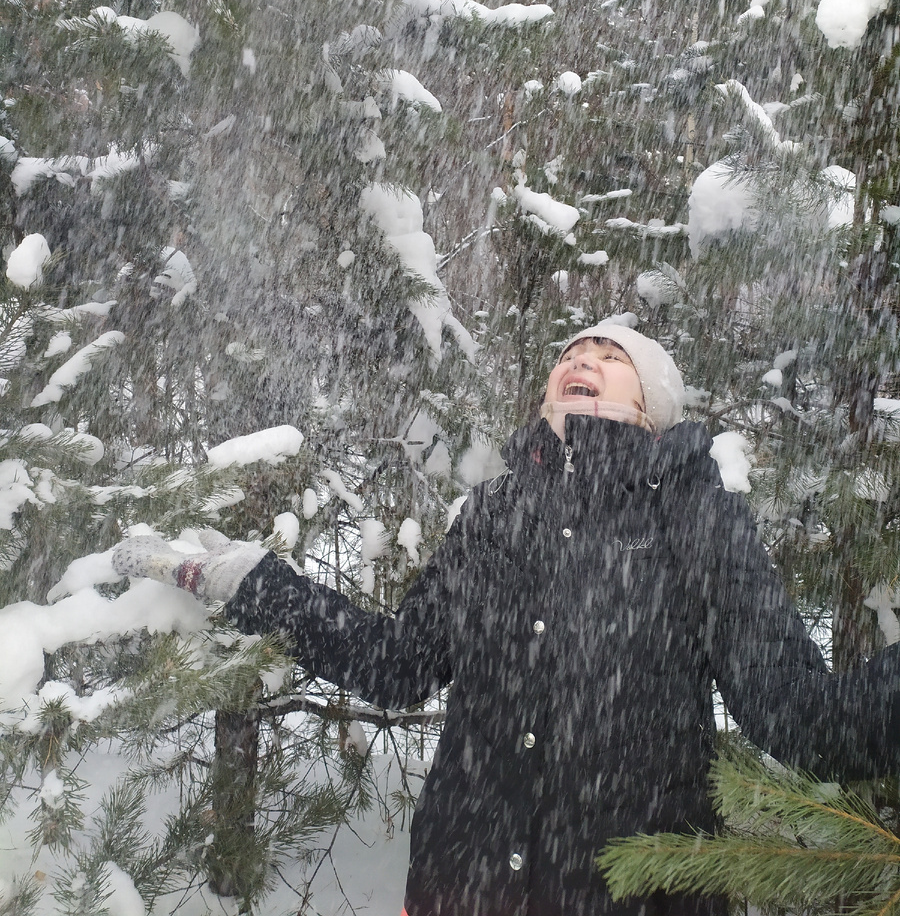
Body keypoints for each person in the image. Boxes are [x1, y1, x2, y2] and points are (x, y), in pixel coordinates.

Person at [112, 320, 900, 916]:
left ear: (652, 405)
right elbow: (398, 665)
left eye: (612, 355)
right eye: (570, 353)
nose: (581, 359)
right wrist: (257, 582)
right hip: (464, 886)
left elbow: (803, 717)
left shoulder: (695, 516)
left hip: (633, 899)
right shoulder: (494, 513)